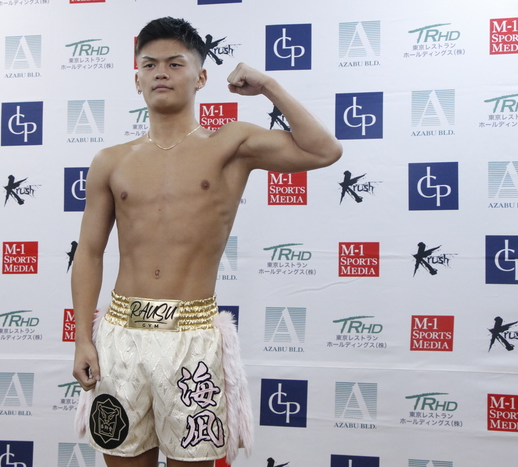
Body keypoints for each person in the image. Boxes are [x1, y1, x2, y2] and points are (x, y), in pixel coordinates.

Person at [72, 17, 342, 467]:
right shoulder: (110, 161)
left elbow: (323, 150)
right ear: (136, 79)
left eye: (175, 63)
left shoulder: (229, 145)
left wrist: (268, 86)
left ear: (200, 77)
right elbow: (89, 252)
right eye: (149, 64)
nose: (161, 73)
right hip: (120, 338)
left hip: (192, 338)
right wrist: (83, 338)